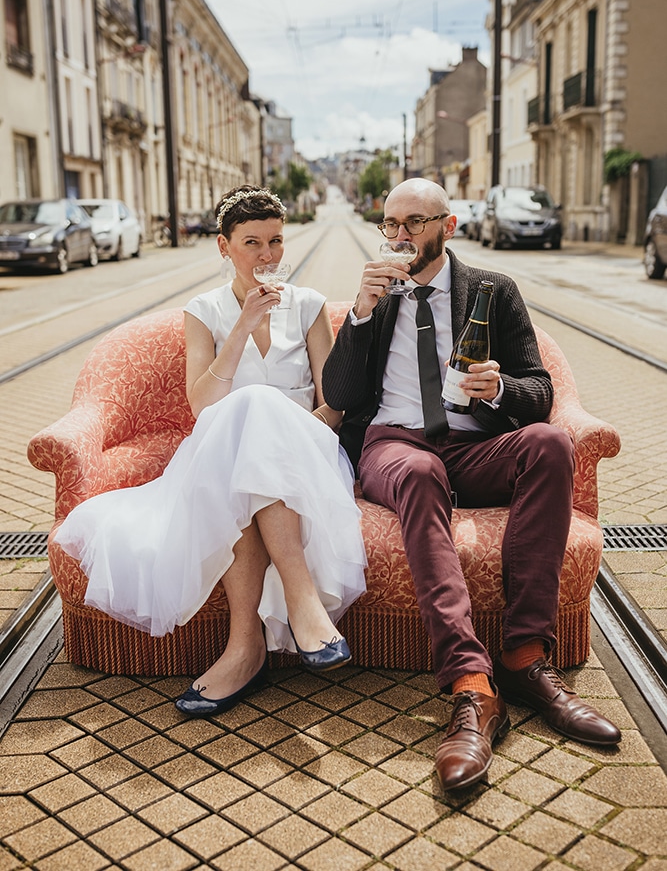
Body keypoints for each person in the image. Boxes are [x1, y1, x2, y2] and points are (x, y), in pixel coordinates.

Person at [322, 177, 620, 792]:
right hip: (397, 446)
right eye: (391, 225)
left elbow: (541, 393)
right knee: (421, 469)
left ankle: (524, 658)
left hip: (474, 444)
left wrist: (502, 389)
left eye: (414, 223)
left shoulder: (492, 290)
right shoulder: (374, 301)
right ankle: (470, 685)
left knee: (549, 443)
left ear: (448, 226)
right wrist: (358, 314)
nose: (400, 237)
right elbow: (344, 397)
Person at [55, 185, 367, 717]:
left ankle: (244, 650)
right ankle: (302, 601)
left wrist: (290, 440)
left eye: (275, 242)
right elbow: (203, 406)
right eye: (253, 243)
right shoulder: (204, 311)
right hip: (219, 456)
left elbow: (332, 404)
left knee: (263, 421)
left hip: (305, 457)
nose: (269, 257)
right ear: (224, 247)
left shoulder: (309, 306)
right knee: (247, 417)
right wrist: (243, 325)